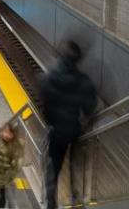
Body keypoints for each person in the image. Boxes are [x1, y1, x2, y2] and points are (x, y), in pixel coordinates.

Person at [40, 40, 97, 209]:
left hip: (55, 132)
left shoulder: (49, 78)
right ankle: (76, 201)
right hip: (74, 131)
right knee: (76, 167)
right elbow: (89, 108)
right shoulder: (83, 81)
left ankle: (51, 204)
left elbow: (44, 105)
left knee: (52, 170)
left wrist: (50, 121)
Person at [0, 124, 23, 208]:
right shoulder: (1, 144)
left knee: (11, 200)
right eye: (3, 132)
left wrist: (9, 176)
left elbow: (17, 164)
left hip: (9, 179)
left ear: (12, 134)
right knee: (2, 199)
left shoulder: (15, 146)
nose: (4, 134)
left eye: (7, 132)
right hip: (1, 179)